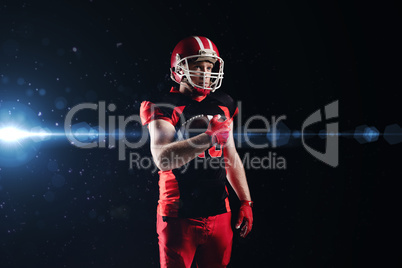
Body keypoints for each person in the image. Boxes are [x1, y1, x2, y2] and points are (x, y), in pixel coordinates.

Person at [140, 36, 253, 268]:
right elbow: (163, 159)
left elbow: (230, 155)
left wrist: (245, 201)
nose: (205, 72)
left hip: (220, 211)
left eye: (209, 67)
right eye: (197, 66)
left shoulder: (223, 102)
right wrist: (208, 137)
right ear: (180, 67)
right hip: (178, 216)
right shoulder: (164, 105)